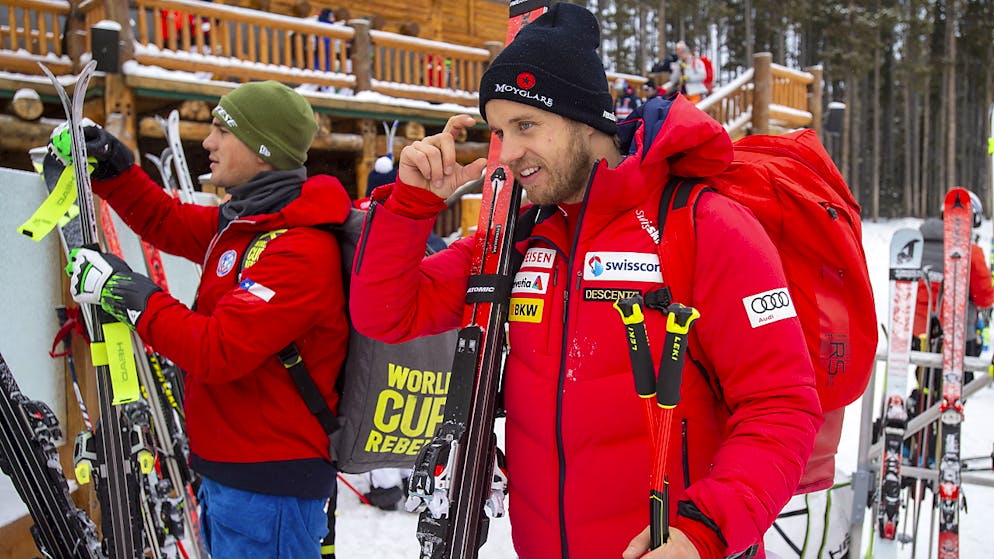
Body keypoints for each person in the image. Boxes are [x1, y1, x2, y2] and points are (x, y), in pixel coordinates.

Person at [348, 4, 821, 559]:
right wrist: (411, 206)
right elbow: (385, 314)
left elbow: (781, 406)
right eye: (499, 131)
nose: (508, 153)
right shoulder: (521, 238)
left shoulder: (705, 226)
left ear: (585, 119)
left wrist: (703, 533)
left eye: (526, 125)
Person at [64, 81, 352, 557]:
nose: (208, 142)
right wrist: (115, 169)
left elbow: (216, 351)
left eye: (223, 130)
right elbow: (167, 222)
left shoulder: (300, 249)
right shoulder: (248, 224)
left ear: (262, 150)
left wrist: (128, 293)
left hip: (271, 487)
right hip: (234, 474)